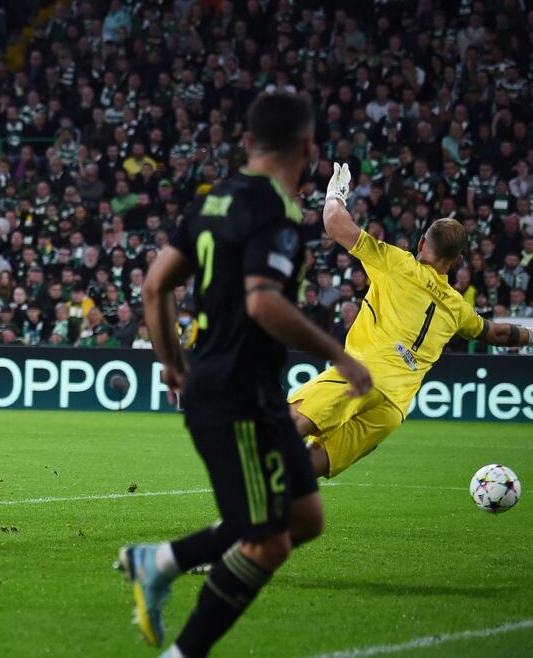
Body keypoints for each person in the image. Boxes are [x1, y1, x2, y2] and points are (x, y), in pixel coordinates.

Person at [116, 93, 372, 657]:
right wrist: (344, 357)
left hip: (246, 388)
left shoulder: (214, 201)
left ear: (250, 141)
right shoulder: (276, 210)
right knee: (266, 541)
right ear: (307, 147)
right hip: (235, 392)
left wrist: (172, 362)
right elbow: (263, 304)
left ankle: (158, 561)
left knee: (303, 520)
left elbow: (155, 286)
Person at [290, 164, 533, 478]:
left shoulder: (397, 263)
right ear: (458, 260)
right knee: (311, 463)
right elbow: (497, 333)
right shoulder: (458, 307)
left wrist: (336, 193)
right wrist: (530, 335)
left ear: (420, 244)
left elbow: (335, 224)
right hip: (393, 407)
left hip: (363, 372)